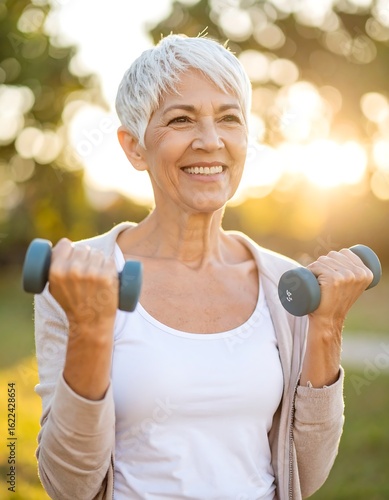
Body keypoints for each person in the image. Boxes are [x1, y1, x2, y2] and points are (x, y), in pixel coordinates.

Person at [34, 34, 373, 500]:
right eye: (181, 119)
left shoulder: (284, 286)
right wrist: (91, 330)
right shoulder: (78, 279)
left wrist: (328, 325)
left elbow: (304, 476)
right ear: (133, 147)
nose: (210, 141)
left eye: (229, 119)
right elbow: (68, 486)